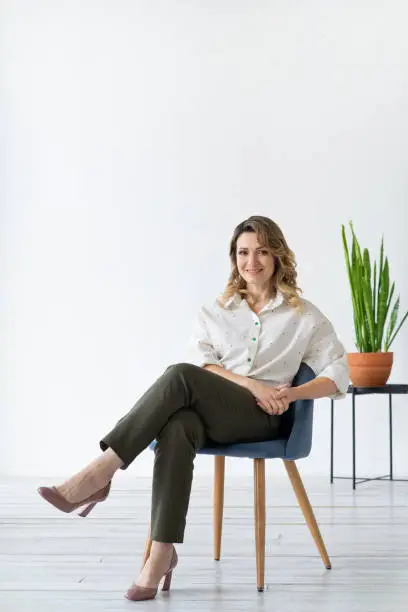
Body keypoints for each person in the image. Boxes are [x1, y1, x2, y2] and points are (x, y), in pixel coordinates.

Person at [37, 215, 349, 602]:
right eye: (243, 252)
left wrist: (291, 395)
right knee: (177, 424)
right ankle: (161, 555)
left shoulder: (303, 314)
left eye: (262, 252)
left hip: (263, 418)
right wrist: (250, 383)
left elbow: (339, 372)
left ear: (278, 257)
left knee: (178, 377)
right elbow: (205, 367)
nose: (252, 261)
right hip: (217, 412)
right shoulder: (216, 311)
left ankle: (100, 472)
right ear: (233, 258)